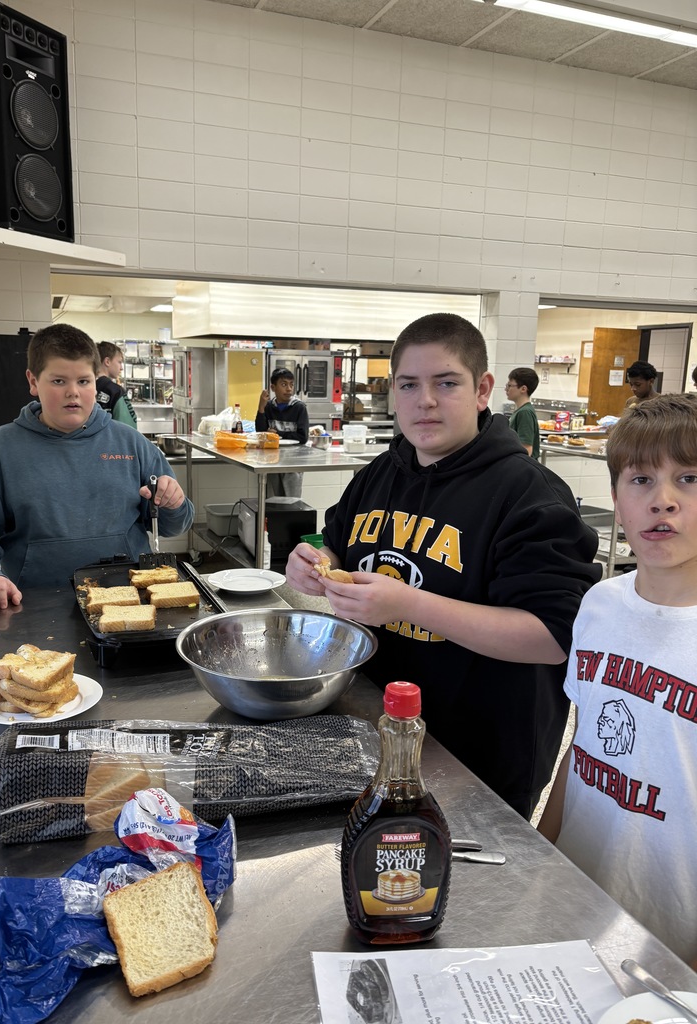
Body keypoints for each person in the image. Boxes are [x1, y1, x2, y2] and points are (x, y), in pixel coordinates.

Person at [285, 312, 601, 818]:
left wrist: (408, 604)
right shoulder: (380, 473)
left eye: (446, 383)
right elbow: (334, 545)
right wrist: (314, 562)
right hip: (379, 734)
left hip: (482, 758)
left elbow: (552, 637)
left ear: (483, 391)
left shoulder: (528, 494)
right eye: (409, 384)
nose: (424, 400)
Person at [538, 393, 697, 967]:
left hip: (674, 941)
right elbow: (580, 749)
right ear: (614, 498)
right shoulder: (599, 605)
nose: (664, 501)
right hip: (577, 899)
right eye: (641, 480)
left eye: (689, 478)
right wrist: (543, 855)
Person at [0, 324, 194, 613]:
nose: (73, 392)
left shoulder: (132, 443)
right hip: (33, 605)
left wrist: (173, 504)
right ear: (33, 381)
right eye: (59, 381)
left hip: (128, 604)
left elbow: (174, 524)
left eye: (84, 381)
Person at [255, 367, 309, 498]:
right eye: (284, 384)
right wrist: (261, 407)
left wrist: (278, 434)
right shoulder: (269, 406)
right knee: (275, 499)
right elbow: (261, 432)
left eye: (291, 385)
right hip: (273, 458)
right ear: (273, 388)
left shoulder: (299, 407)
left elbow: (303, 437)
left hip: (293, 460)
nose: (289, 389)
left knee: (292, 499)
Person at [96, 341, 137, 427]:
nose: (121, 368)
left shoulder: (84, 387)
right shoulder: (116, 391)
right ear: (107, 361)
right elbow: (128, 428)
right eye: (119, 362)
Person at [506, 366, 540, 459]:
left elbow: (526, 449)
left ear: (523, 389)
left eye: (510, 386)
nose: (506, 389)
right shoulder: (520, 411)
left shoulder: (525, 412)